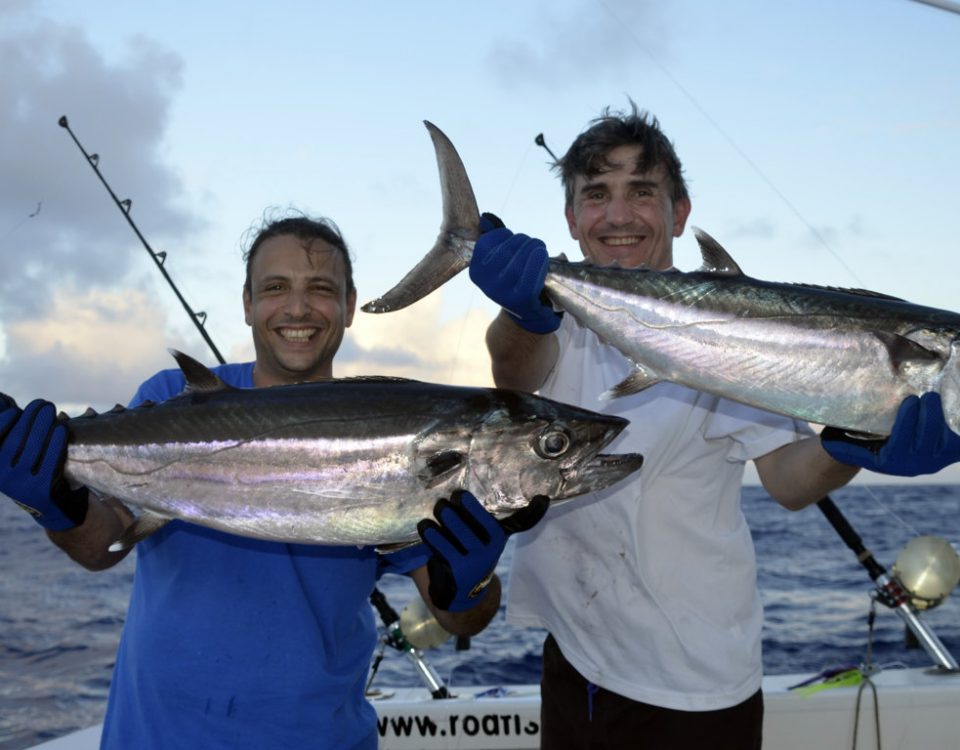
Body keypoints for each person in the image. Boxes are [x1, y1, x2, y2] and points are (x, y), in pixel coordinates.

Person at [468, 102, 960, 749]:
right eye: (597, 195)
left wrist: (854, 444)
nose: (618, 215)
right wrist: (524, 312)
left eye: (641, 193)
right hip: (576, 659)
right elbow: (513, 374)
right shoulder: (555, 315)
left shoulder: (742, 332)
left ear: (679, 213)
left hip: (697, 681)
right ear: (571, 218)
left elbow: (787, 480)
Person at [0, 214, 546, 749]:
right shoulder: (172, 395)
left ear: (350, 306)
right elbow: (100, 546)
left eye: (321, 288)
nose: (298, 307)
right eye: (276, 287)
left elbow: (460, 620)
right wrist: (54, 503)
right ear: (247, 303)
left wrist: (470, 579)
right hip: (160, 736)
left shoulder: (400, 431)